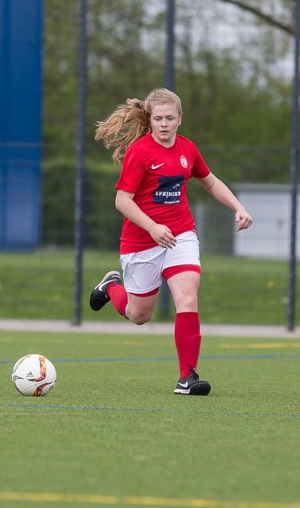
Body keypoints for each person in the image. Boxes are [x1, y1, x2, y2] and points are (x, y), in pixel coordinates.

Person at [88, 88, 253, 395]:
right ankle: (111, 287)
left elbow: (211, 182)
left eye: (170, 118)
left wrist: (239, 208)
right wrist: (152, 227)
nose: (164, 124)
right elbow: (122, 201)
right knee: (140, 315)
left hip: (180, 235)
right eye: (158, 118)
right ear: (150, 120)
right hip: (141, 242)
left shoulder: (188, 149)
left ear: (180, 119)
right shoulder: (140, 152)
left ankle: (187, 376)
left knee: (188, 297)